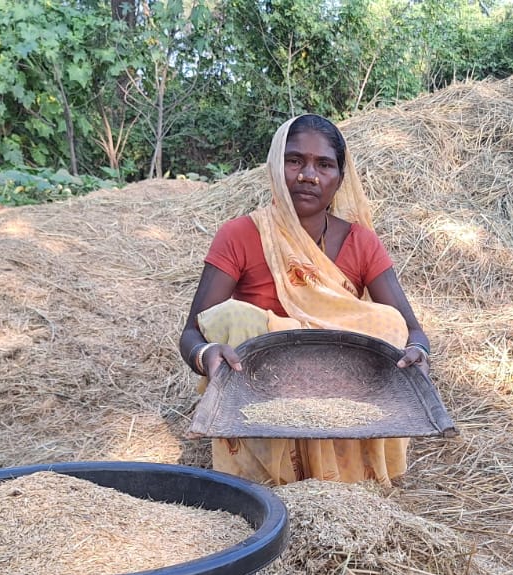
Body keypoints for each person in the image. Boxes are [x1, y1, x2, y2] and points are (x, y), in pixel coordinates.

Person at [179, 114, 430, 486]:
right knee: (235, 316)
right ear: (274, 167)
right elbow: (192, 333)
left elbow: (411, 330)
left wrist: (417, 353)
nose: (308, 176)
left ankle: (348, 475)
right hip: (264, 396)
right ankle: (265, 474)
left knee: (387, 322)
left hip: (340, 399)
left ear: (340, 179)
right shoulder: (240, 235)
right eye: (294, 160)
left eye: (324, 165)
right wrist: (206, 354)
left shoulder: (361, 242)